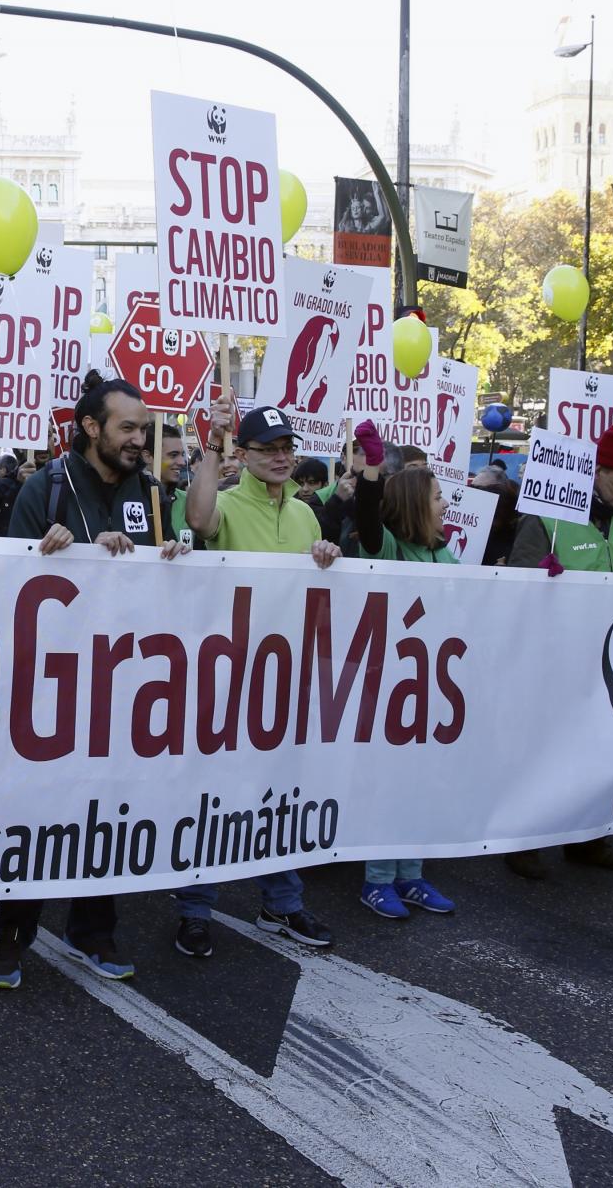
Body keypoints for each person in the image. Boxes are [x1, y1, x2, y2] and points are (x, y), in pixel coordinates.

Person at [0, 372, 185, 989]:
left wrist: (171, 557)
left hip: (123, 682)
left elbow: (158, 581)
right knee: (35, 816)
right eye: (126, 427)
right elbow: (8, 580)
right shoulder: (44, 488)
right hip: (50, 682)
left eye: (142, 429)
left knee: (110, 808)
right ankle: (6, 936)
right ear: (90, 427)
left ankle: (93, 928)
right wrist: (70, 553)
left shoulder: (149, 491)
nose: (137, 439)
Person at [175, 396, 341, 956]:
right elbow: (198, 520)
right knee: (216, 793)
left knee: (283, 794)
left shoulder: (305, 513)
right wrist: (211, 446)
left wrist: (325, 552)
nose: (280, 457)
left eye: (287, 447)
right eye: (267, 449)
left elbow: (318, 581)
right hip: (229, 678)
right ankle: (196, 910)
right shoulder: (226, 503)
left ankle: (283, 903)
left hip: (288, 678)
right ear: (243, 455)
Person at [505, 419, 613, 879]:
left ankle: (588, 839)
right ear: (594, 472)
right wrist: (540, 576)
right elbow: (516, 583)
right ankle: (522, 840)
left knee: (599, 752)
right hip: (555, 659)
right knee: (543, 752)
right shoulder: (547, 518)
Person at [344, 422, 458, 920]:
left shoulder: (443, 550)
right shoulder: (387, 545)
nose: (445, 505)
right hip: (386, 684)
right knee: (388, 783)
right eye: (438, 496)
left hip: (433, 683)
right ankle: (377, 881)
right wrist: (372, 471)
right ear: (416, 503)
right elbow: (367, 521)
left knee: (420, 782)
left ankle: (411, 876)